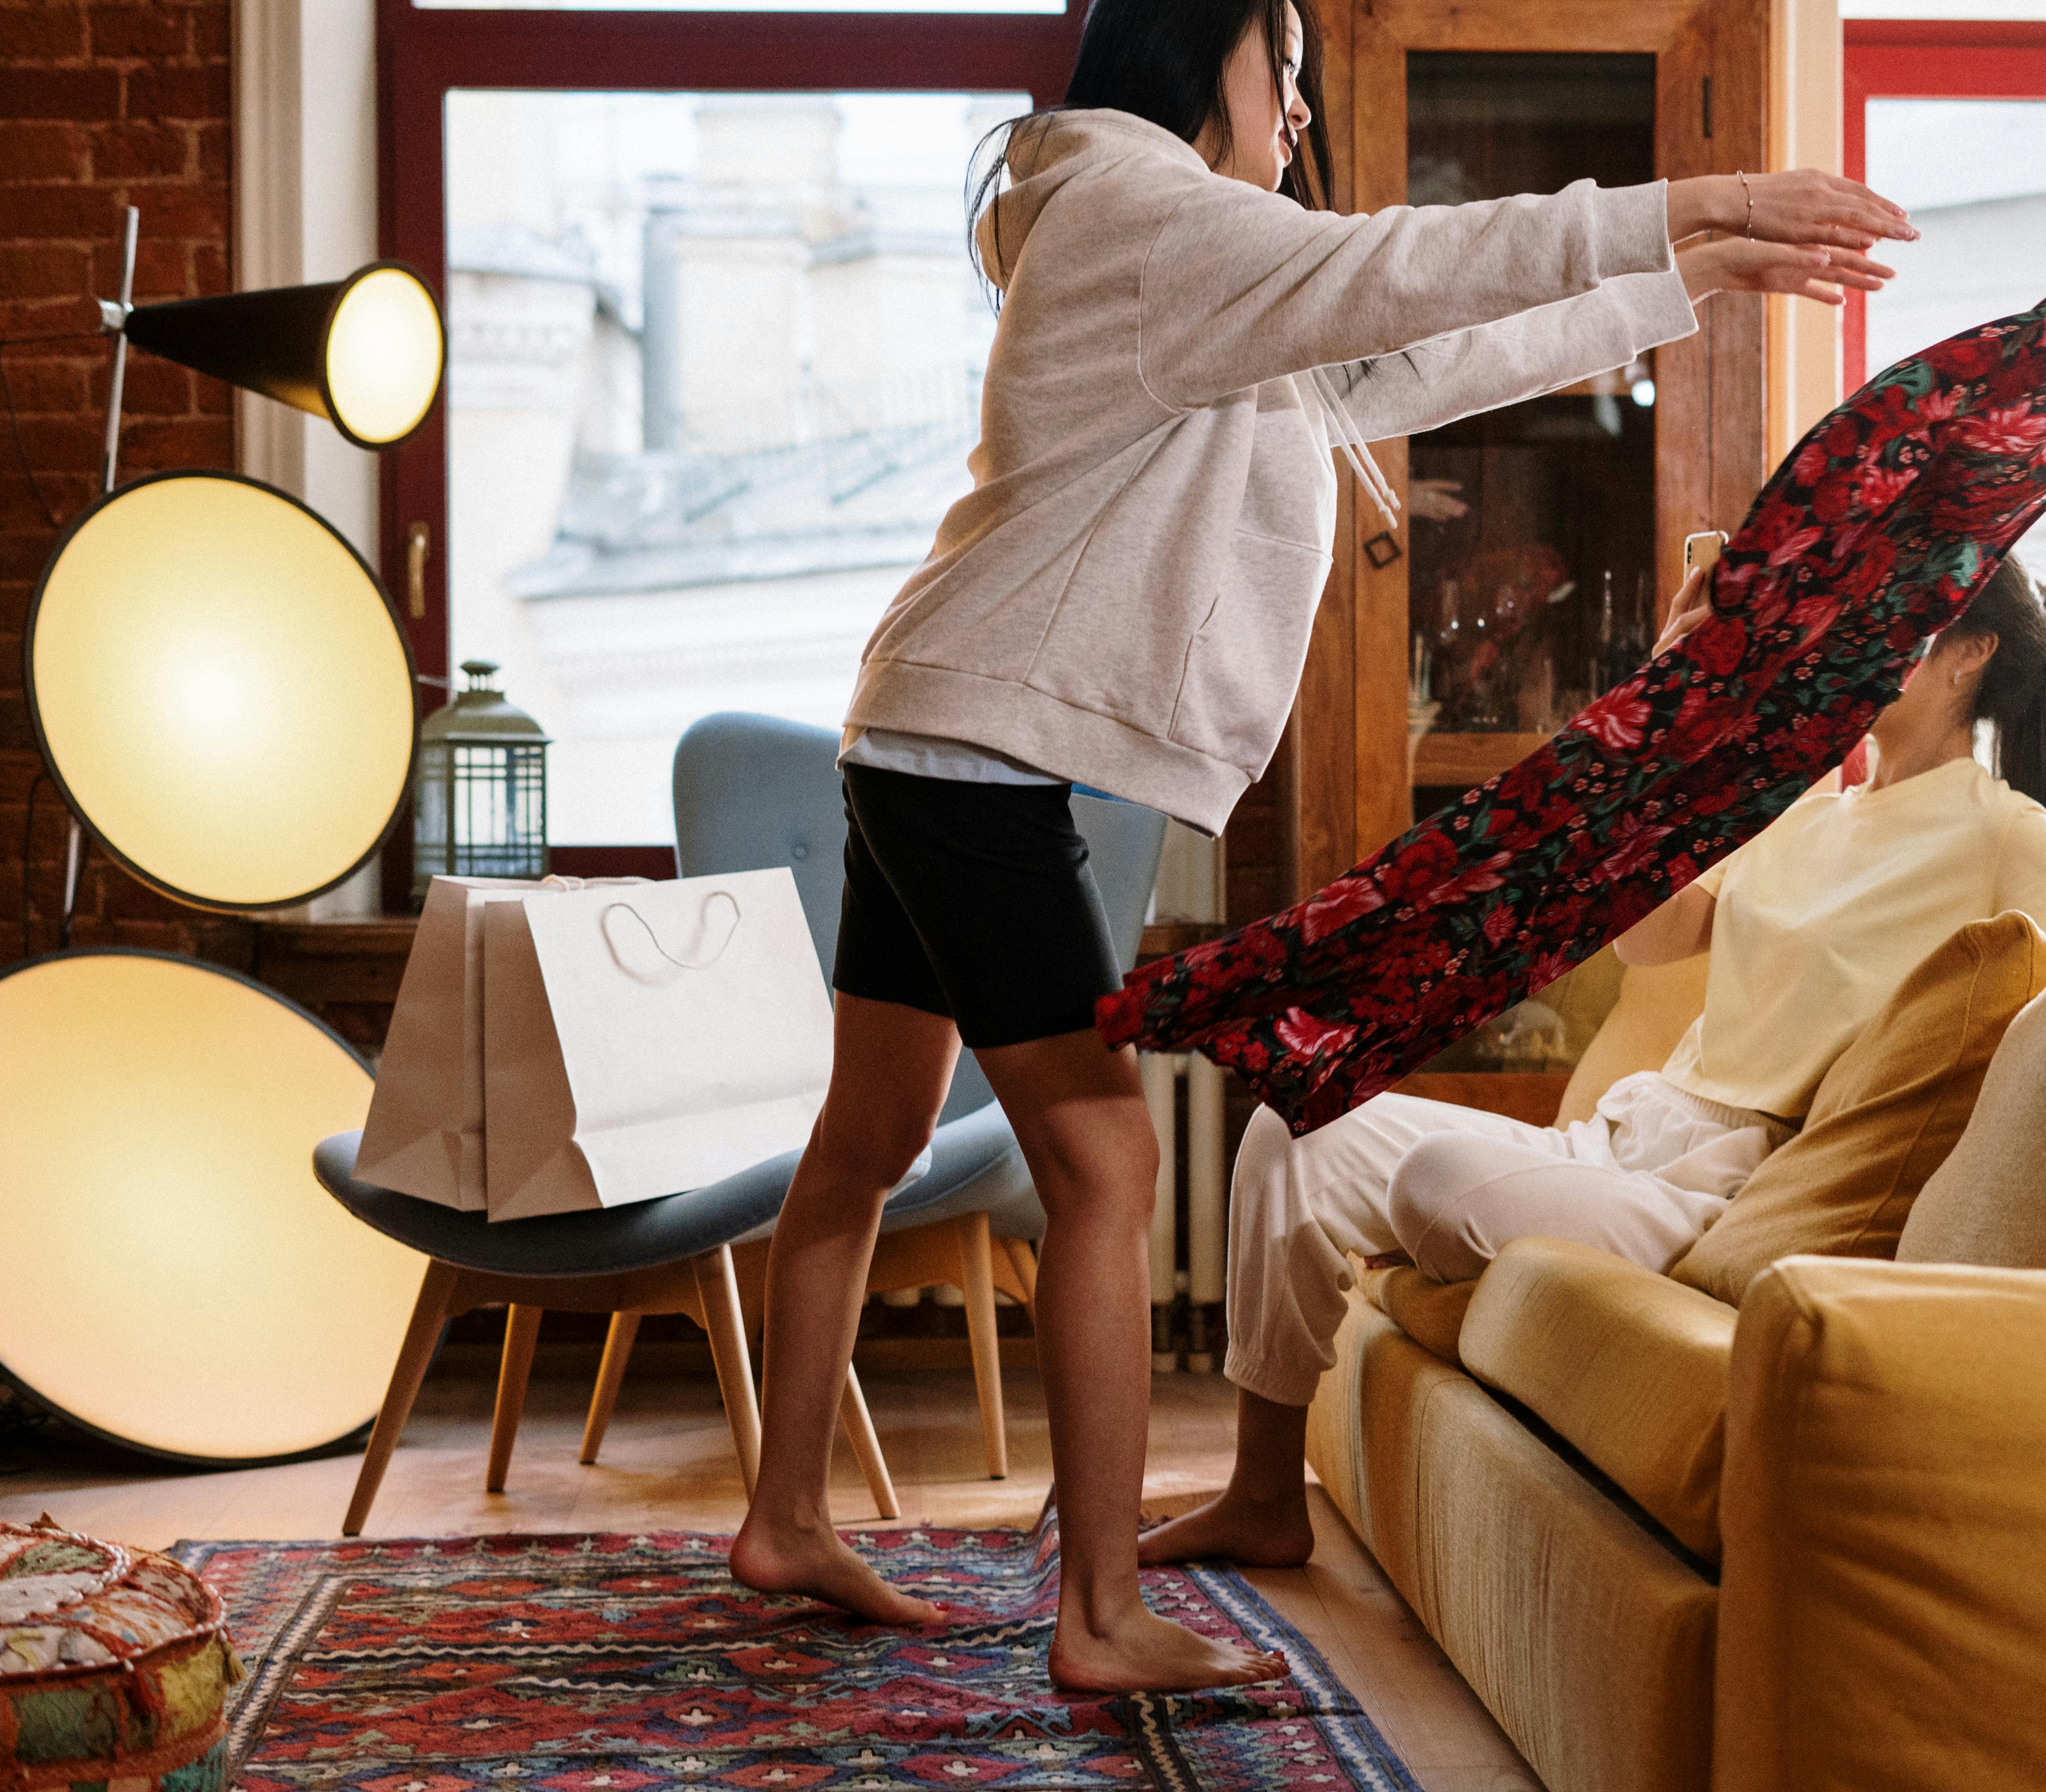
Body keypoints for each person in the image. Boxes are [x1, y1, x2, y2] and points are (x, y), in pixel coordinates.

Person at [724, 0, 1916, 1693]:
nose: (1294, 111)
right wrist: (1691, 197)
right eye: (1278, 71)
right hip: (975, 749)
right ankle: (1102, 1618)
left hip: (936, 723)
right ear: (1199, 47)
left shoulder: (1162, 239)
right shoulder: (1149, 211)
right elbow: (1411, 268)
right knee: (1108, 1167)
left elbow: (1406, 361)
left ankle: (784, 1516)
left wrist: (1687, 281)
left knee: (874, 1127)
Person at [1142, 557, 2046, 1570]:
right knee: (1294, 1124)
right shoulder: (1799, 811)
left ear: (1971, 653)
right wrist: (1666, 716)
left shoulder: (2002, 830)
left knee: (1433, 1185)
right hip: (1632, 1130)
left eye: (1903, 620)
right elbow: (1646, 940)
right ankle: (1262, 1496)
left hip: (1739, 1185)